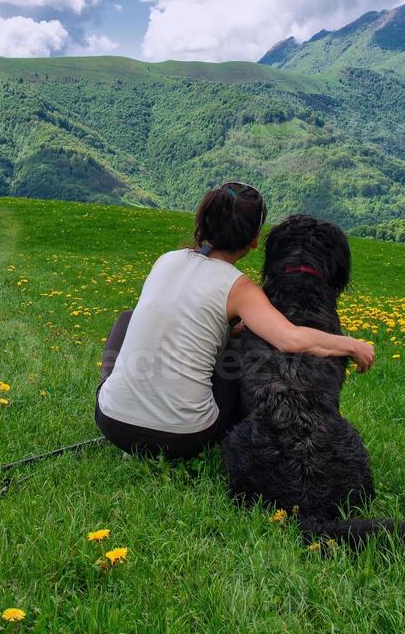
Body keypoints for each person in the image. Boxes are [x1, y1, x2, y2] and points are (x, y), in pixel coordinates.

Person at [95, 182, 376, 460]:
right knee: (239, 349)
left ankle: (123, 397)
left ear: (203, 223)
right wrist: (352, 345)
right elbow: (291, 339)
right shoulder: (240, 288)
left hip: (112, 423)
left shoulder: (166, 260)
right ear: (254, 239)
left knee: (127, 319)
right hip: (184, 439)